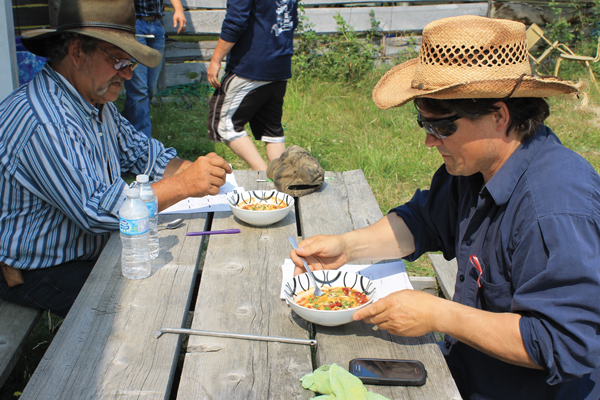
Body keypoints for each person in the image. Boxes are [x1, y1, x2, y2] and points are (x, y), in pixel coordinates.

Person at [290, 15, 600, 400]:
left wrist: (440, 315)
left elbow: (563, 344)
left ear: (499, 115)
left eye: (442, 127)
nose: (429, 141)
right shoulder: (477, 167)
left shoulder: (552, 208)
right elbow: (422, 221)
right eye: (424, 123)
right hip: (468, 373)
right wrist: (347, 247)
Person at [0, 0, 232, 318]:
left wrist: (197, 171)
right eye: (119, 61)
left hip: (81, 249)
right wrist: (185, 184)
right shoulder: (44, 121)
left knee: (184, 280)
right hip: (34, 267)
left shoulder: (93, 99)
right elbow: (99, 210)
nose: (128, 74)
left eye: (131, 63)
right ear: (77, 51)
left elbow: (139, 152)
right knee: (152, 303)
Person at [206, 0, 298, 170]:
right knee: (271, 130)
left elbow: (236, 20)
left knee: (223, 125)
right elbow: (290, 19)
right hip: (280, 64)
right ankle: (282, 181)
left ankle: (263, 174)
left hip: (251, 66)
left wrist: (216, 59)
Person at [121, 0, 187, 138]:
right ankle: (144, 143)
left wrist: (179, 9)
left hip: (156, 24)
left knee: (150, 88)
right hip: (134, 24)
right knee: (139, 90)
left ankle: (120, 125)